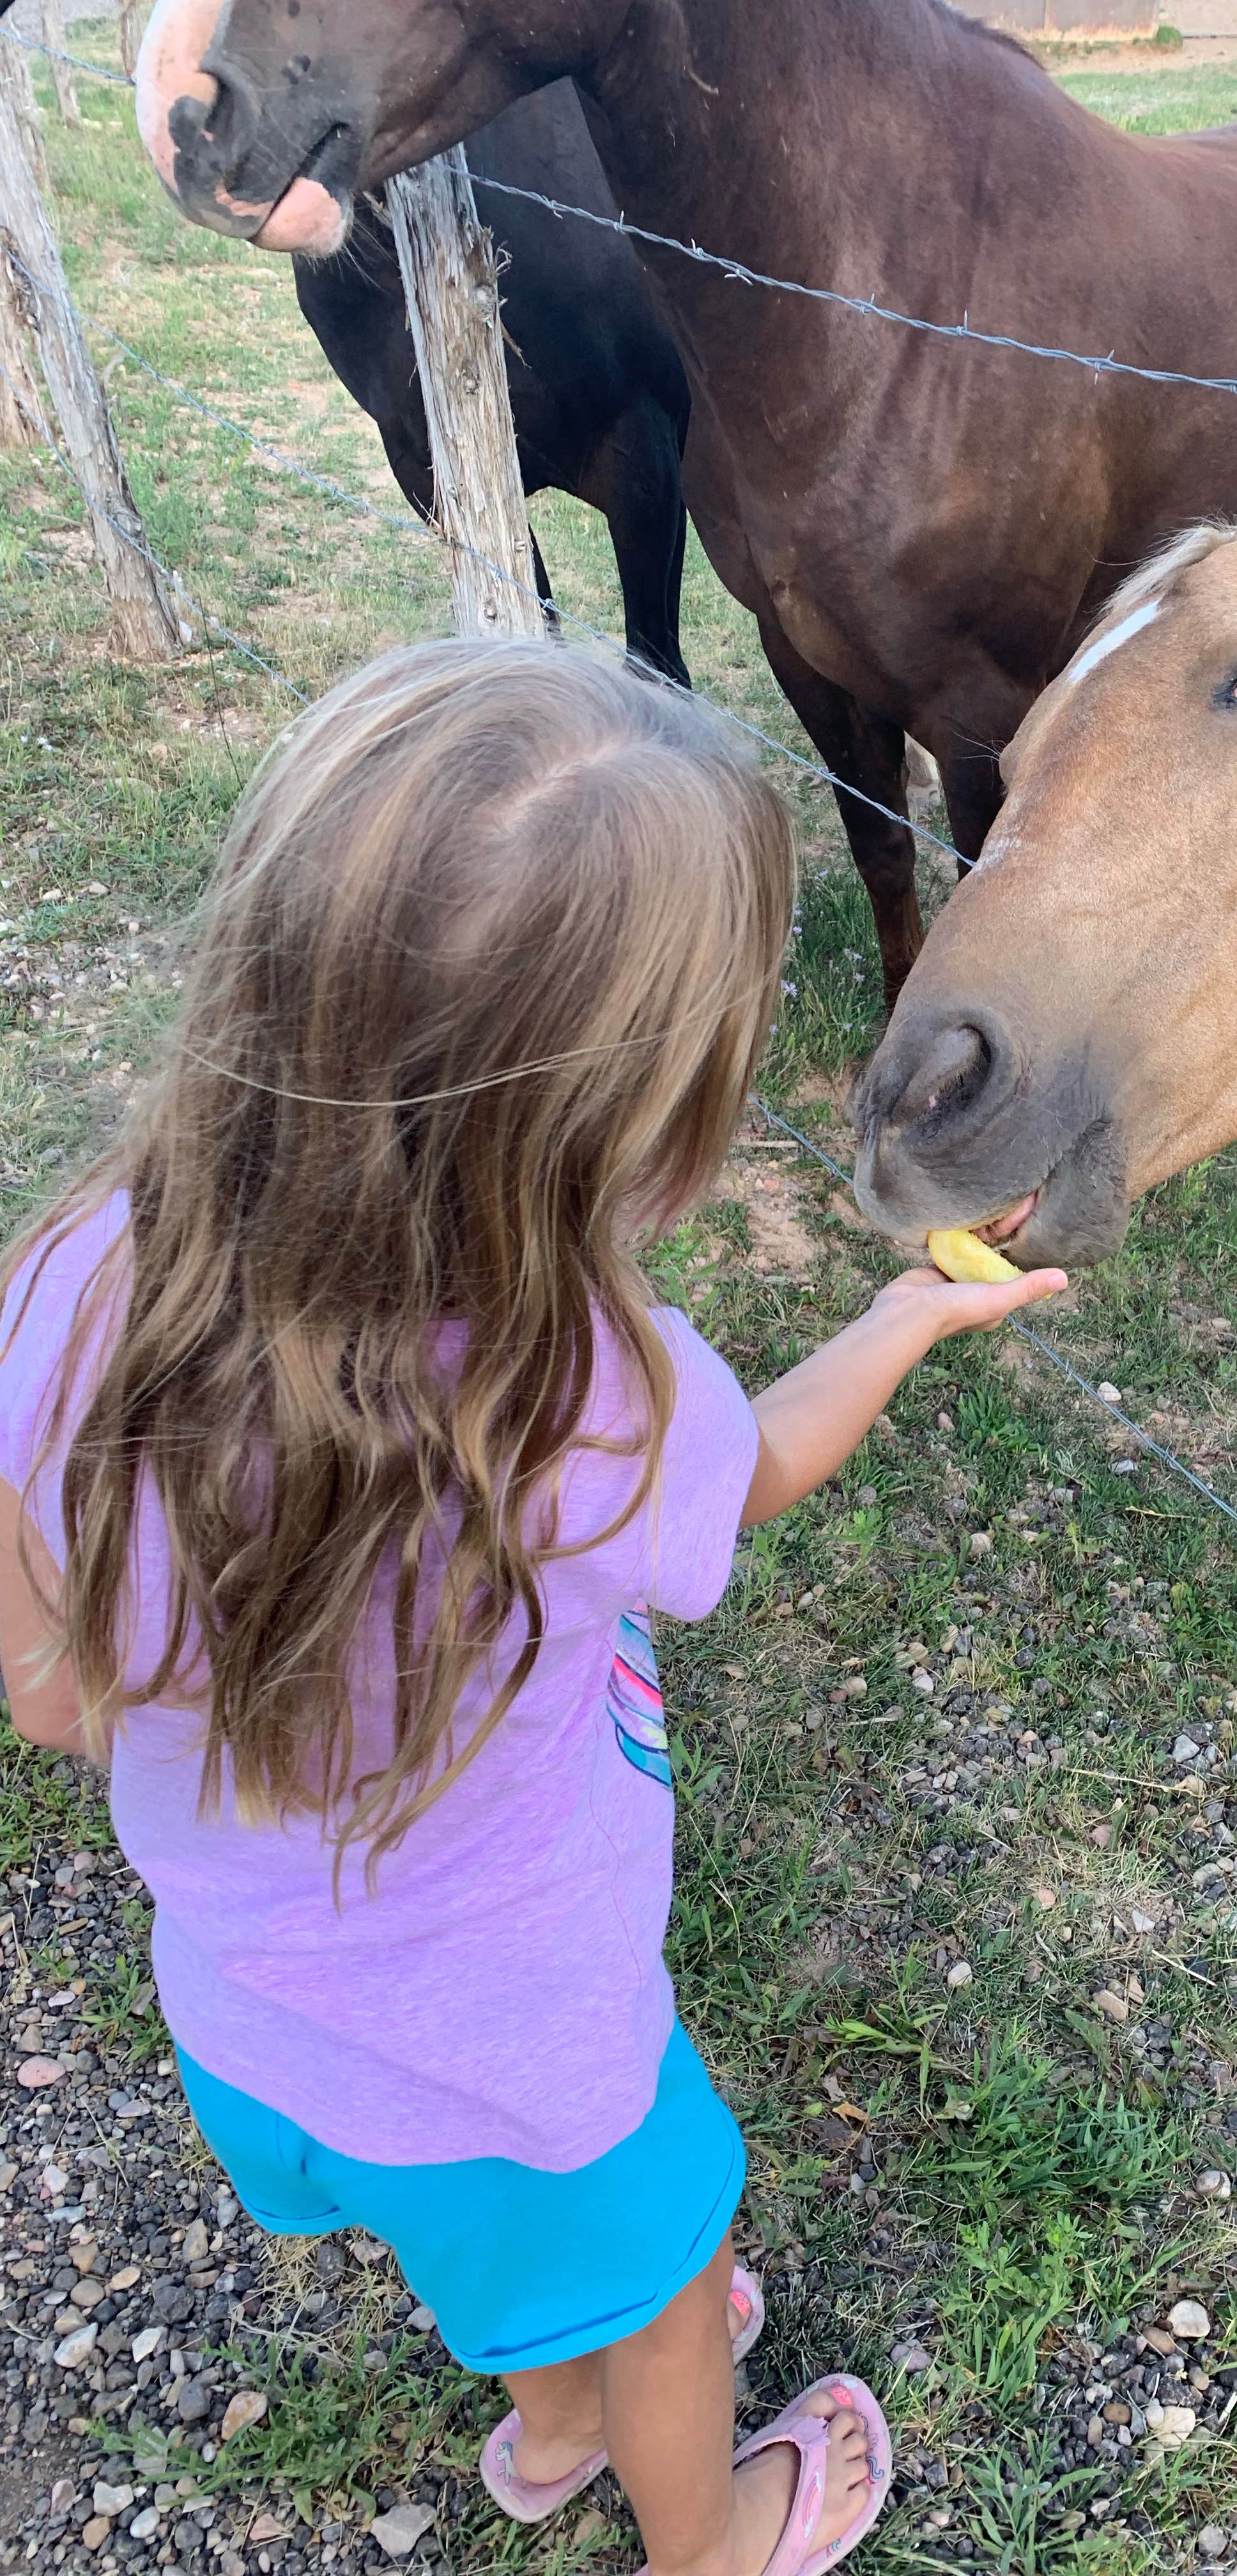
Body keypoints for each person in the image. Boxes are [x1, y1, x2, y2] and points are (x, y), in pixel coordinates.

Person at [0, 642, 1062, 2576]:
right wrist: (908, 1313)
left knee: (466, 2234)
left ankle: (547, 2418)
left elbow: (54, 1696)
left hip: (257, 2034)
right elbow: (755, 1475)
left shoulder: (72, 1276)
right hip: (532, 2054)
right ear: (620, 1136)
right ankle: (710, 2528)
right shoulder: (595, 1403)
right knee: (666, 2276)